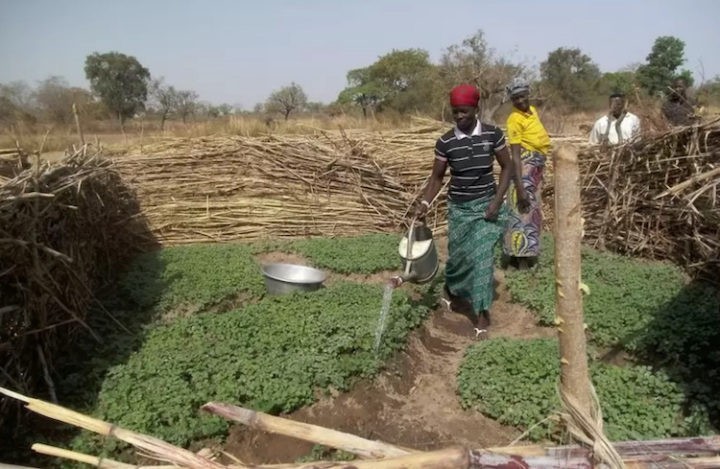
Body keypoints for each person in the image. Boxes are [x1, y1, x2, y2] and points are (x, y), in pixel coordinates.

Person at [414, 84, 513, 338]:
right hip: (459, 208)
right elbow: (436, 178)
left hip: (486, 207)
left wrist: (497, 201)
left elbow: (507, 167)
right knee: (459, 259)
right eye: (455, 112)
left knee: (481, 259)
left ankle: (481, 314)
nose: (459, 116)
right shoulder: (446, 142)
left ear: (476, 109)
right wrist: (425, 203)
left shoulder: (492, 135)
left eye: (464, 111)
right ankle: (452, 288)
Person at [503, 81, 550, 270]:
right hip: (524, 167)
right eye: (516, 98)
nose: (520, 100)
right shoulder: (514, 119)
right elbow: (514, 154)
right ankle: (520, 261)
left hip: (535, 166)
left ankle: (525, 257)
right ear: (512, 100)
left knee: (531, 212)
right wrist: (520, 188)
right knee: (522, 212)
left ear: (528, 94)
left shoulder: (531, 110)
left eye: (523, 96)